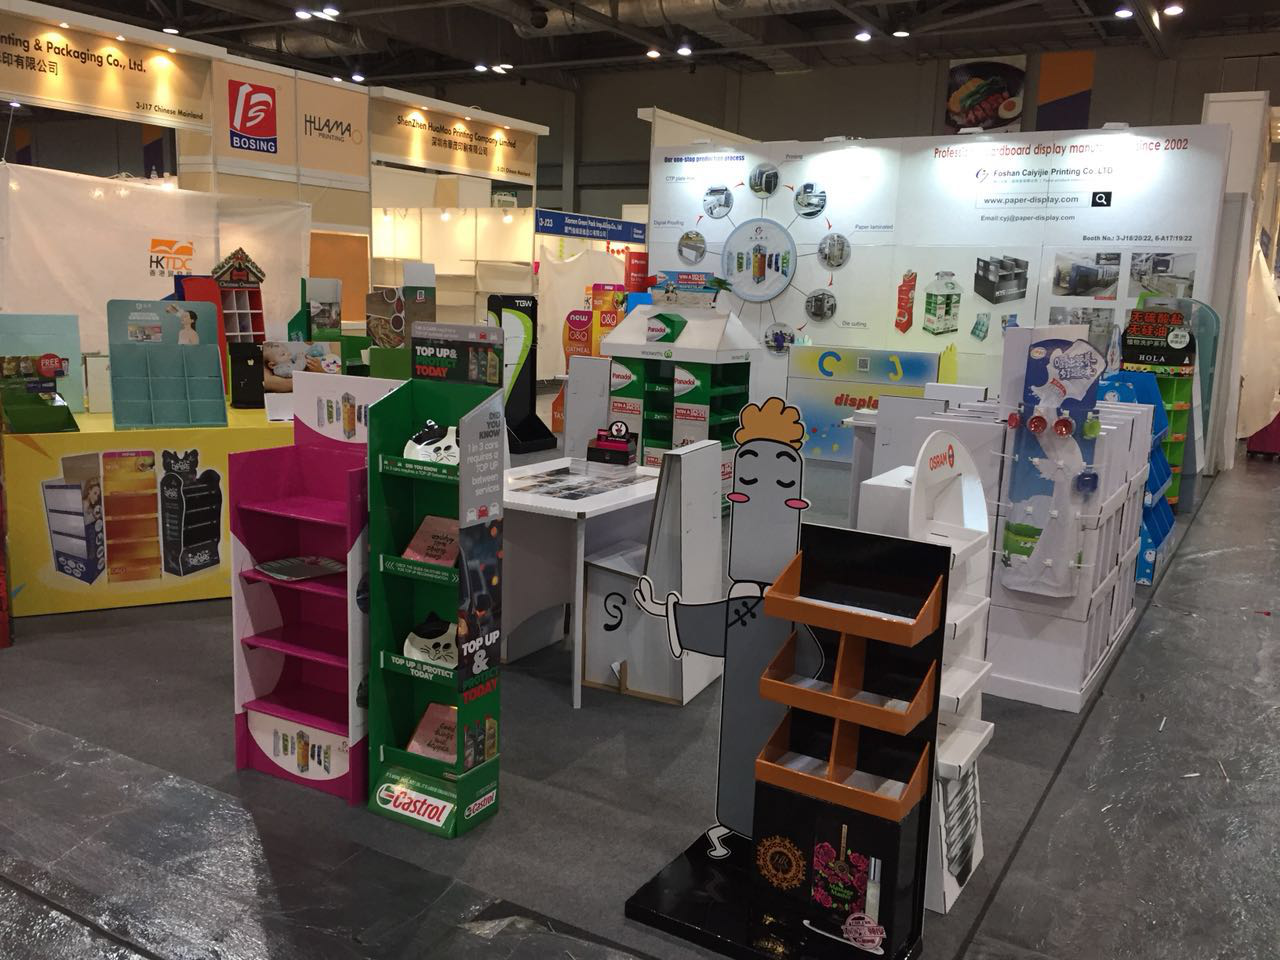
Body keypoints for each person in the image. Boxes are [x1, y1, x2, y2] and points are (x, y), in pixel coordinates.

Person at [634, 396, 822, 857]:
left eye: (781, 482)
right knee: (742, 745)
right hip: (746, 692)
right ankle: (741, 822)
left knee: (772, 742)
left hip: (775, 688)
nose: (761, 496)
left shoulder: (780, 600)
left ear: (796, 498)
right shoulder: (746, 604)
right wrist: (664, 610)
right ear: (736, 493)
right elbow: (723, 622)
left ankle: (763, 821)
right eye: (748, 480)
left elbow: (803, 648)